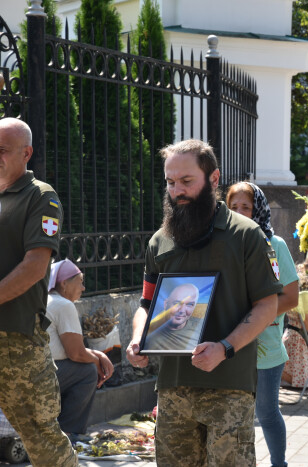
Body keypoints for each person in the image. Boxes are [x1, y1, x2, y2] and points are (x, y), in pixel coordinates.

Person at [125, 139, 282, 466]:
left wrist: (224, 347)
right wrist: (139, 338)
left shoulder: (246, 235)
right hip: (173, 388)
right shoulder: (160, 240)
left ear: (213, 179)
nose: (177, 191)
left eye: (186, 181)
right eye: (170, 182)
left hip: (229, 387)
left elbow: (268, 305)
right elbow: (147, 304)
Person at [0, 117, 78, 466]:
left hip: (15, 339)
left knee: (39, 435)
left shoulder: (40, 196)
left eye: (2, 150)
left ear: (26, 153)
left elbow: (34, 267)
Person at [226, 181, 299, 467]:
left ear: (259, 209)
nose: (241, 212)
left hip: (265, 347)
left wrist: (258, 316)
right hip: (230, 344)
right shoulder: (222, 245)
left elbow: (291, 297)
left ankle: (278, 464)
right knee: (235, 414)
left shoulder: (274, 245)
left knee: (267, 412)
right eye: (234, 207)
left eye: (247, 206)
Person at [46, 260, 114, 441]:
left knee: (85, 366)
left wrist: (97, 355)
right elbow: (75, 354)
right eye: (80, 281)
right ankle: (65, 435)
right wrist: (98, 362)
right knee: (87, 372)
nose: (83, 288)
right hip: (45, 372)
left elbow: (73, 349)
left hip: (39, 368)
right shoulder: (63, 305)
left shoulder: (48, 300)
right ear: (64, 283)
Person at [144, 283, 203, 351]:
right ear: (166, 304)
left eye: (189, 304)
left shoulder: (202, 327)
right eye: (177, 303)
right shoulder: (150, 333)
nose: (182, 310)